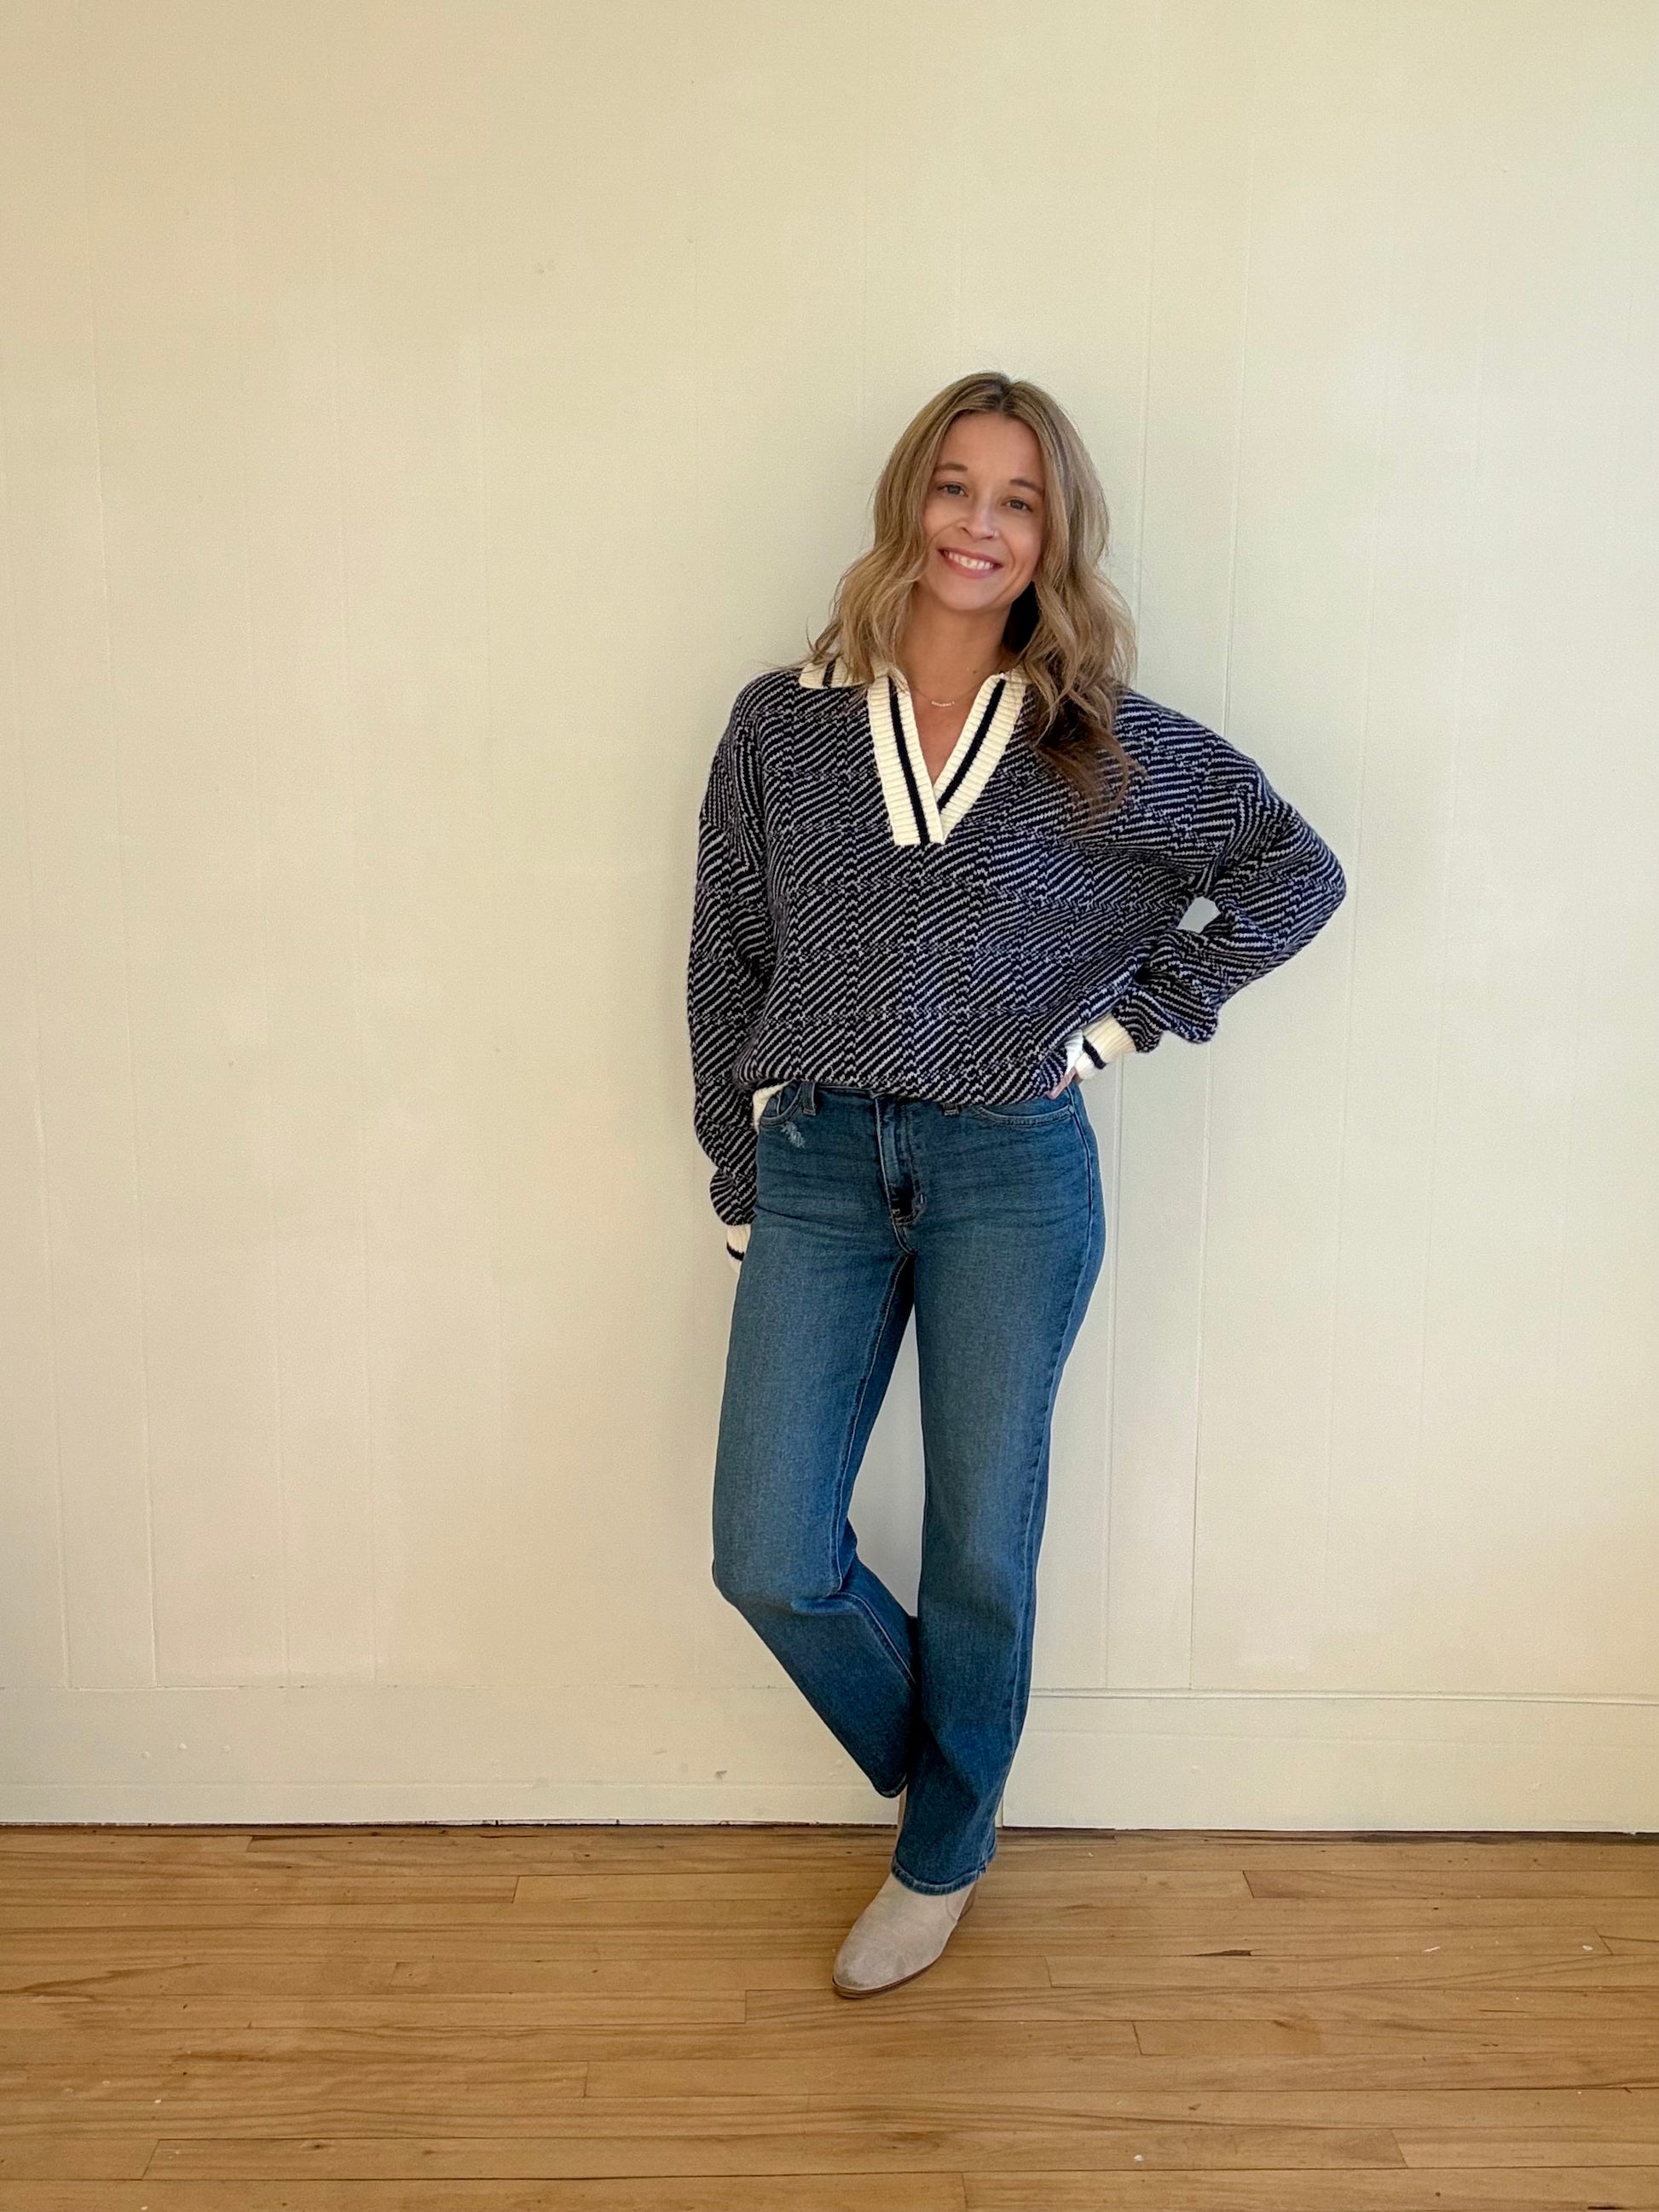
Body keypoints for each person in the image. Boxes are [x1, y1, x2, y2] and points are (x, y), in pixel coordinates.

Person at [685, 370, 1346, 1997]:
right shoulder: (783, 720)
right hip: (820, 1161)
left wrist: (1118, 1027)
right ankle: (954, 1779)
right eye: (954, 486)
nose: (978, 525)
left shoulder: (1092, 737)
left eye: (1019, 500)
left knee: (983, 1541)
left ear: (1055, 535)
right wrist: (737, 1164)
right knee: (766, 1550)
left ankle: (939, 1854)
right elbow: (728, 950)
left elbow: (1295, 871)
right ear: (907, 499)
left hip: (1010, 1176)